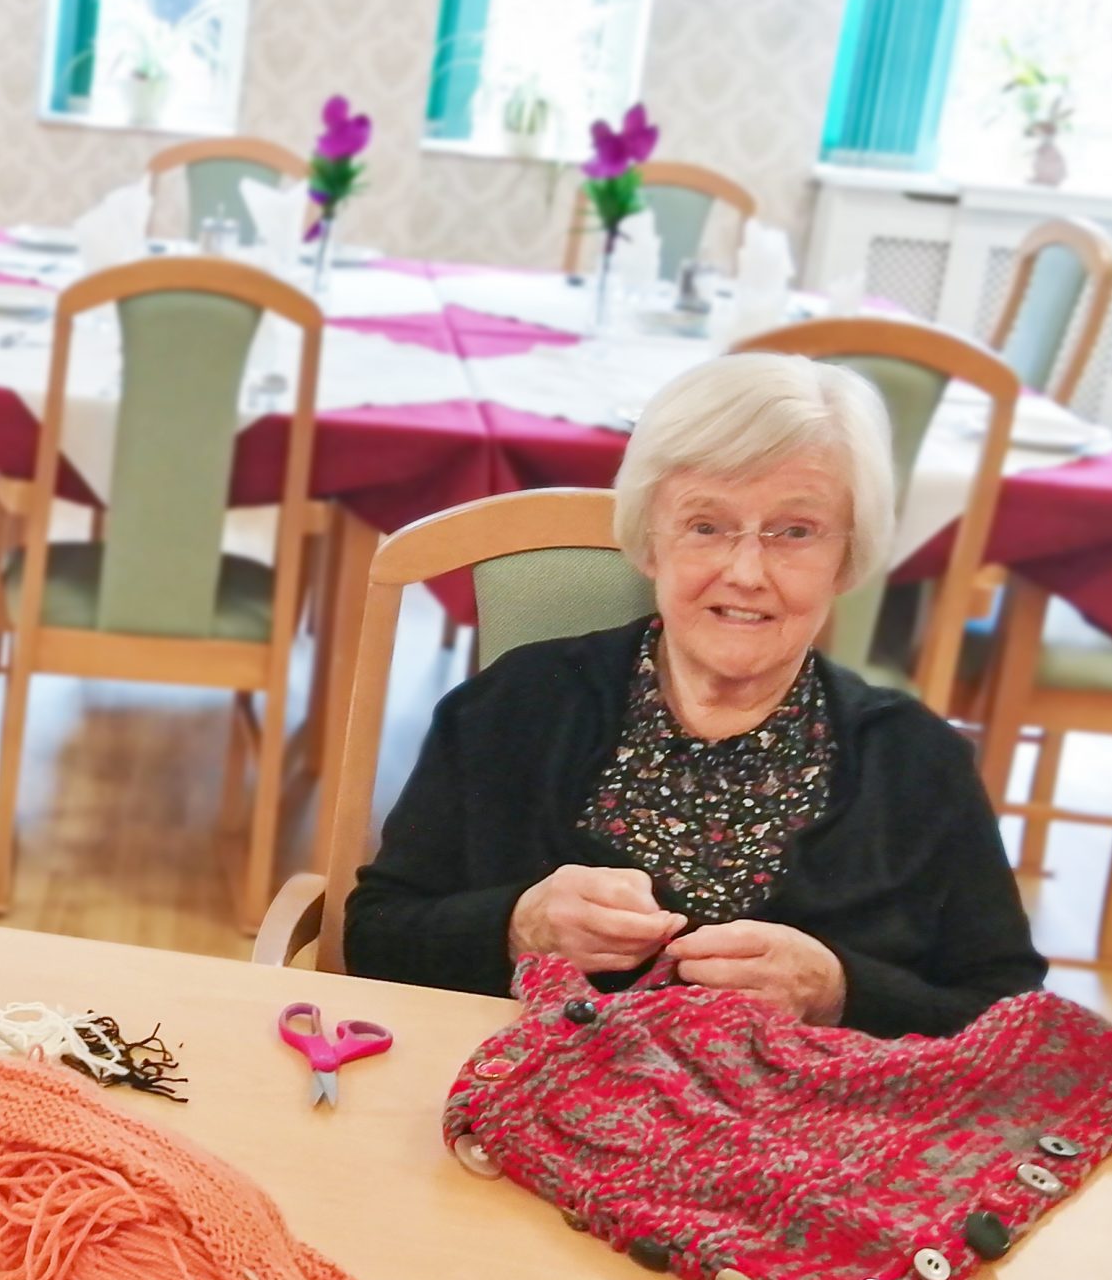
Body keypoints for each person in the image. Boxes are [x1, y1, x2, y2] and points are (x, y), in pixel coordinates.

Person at [344, 351, 1043, 1038]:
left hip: (798, 1142)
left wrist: (838, 992)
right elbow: (375, 937)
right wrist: (517, 926)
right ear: (650, 541)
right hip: (515, 1126)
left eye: (794, 532)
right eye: (707, 526)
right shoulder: (514, 707)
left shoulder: (918, 763)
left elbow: (1012, 1020)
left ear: (846, 557)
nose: (745, 571)